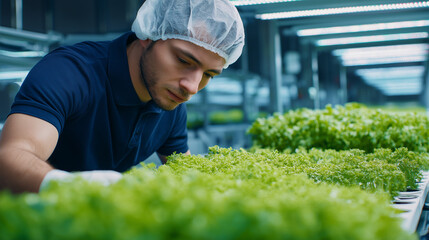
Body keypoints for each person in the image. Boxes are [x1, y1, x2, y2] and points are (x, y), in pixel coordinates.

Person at [0, 0, 245, 193]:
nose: (192, 87)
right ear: (148, 35)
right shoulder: (70, 72)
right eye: (183, 60)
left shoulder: (171, 102)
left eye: (209, 74)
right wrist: (65, 187)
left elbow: (185, 169)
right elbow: (10, 158)